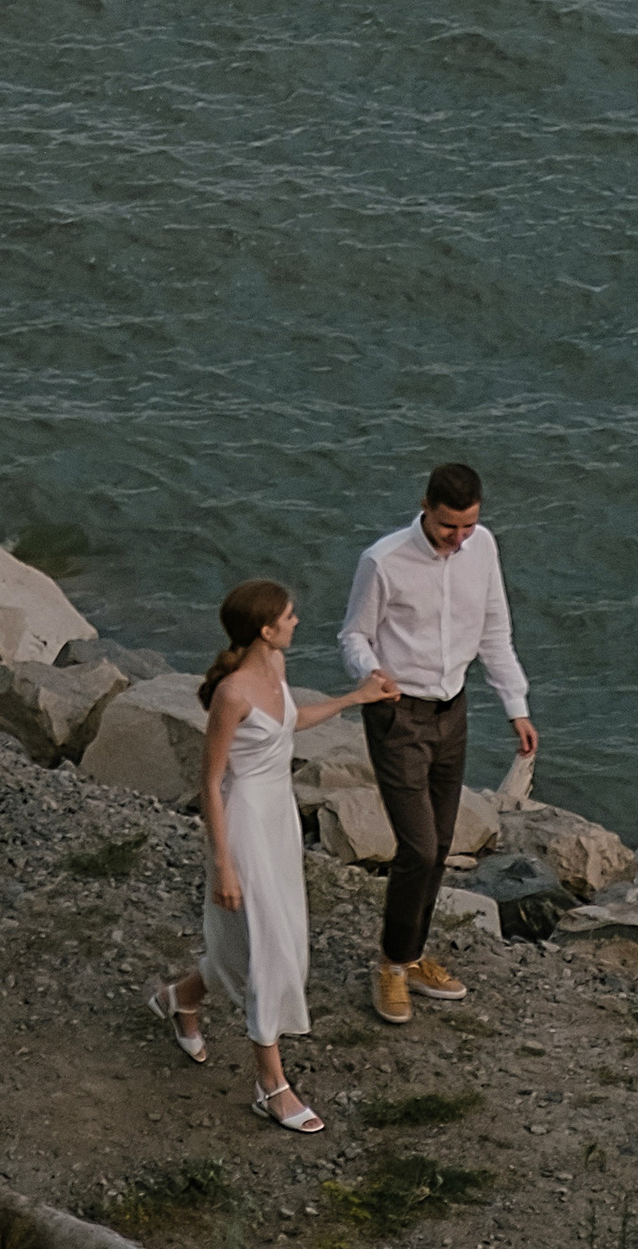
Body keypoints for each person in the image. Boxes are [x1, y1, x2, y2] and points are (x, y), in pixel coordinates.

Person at [147, 578, 399, 1134]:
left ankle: (179, 998)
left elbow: (288, 725)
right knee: (272, 951)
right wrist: (224, 864)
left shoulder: (276, 673)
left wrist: (357, 699)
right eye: (289, 616)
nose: (296, 621)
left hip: (278, 820)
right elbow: (210, 782)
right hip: (243, 828)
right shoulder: (231, 693)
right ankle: (270, 1084)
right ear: (265, 629)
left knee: (255, 941)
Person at [339, 461, 536, 1026]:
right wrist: (372, 672)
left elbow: (496, 631)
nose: (459, 538)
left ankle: (413, 954)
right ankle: (391, 967)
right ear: (426, 507)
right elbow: (353, 632)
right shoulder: (383, 561)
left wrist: (516, 707)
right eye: (450, 527)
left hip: (455, 711)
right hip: (398, 713)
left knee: (442, 843)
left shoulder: (484, 548)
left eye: (469, 526)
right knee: (420, 848)